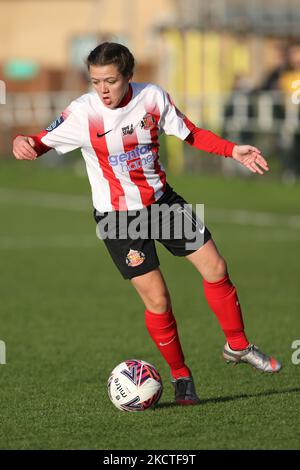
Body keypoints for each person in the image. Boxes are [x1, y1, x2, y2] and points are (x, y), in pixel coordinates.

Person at [13, 42, 282, 406]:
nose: (103, 89)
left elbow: (191, 133)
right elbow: (39, 142)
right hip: (118, 219)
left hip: (162, 203)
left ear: (129, 77)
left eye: (110, 80)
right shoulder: (82, 112)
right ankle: (181, 377)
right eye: (95, 81)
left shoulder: (152, 98)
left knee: (216, 267)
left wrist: (233, 150)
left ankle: (237, 345)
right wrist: (22, 141)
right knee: (158, 300)